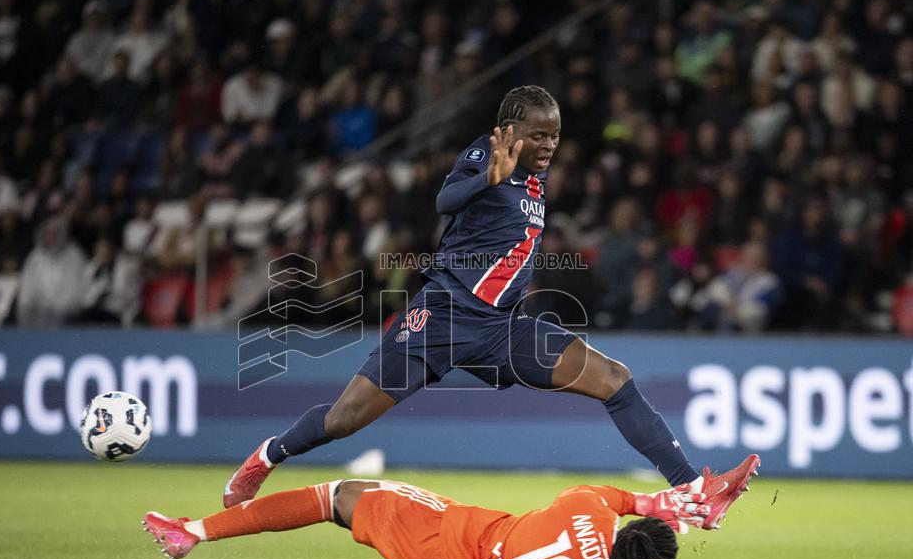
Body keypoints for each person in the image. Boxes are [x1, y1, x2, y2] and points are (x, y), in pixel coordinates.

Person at [225, 86, 758, 528]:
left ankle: (694, 491)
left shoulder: (535, 177)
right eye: (538, 135)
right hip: (444, 317)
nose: (549, 144)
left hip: (503, 328)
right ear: (510, 130)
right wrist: (487, 178)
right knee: (344, 420)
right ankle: (266, 456)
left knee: (614, 379)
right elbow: (445, 201)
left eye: (555, 135)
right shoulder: (487, 154)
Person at [143, 466, 757, 559]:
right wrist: (685, 519)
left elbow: (629, 503)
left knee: (335, 496)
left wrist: (681, 504)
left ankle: (195, 531)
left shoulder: (588, 510)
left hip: (449, 535)